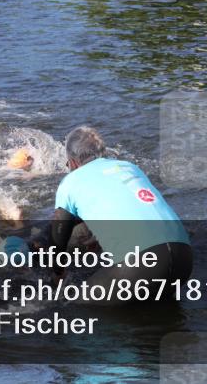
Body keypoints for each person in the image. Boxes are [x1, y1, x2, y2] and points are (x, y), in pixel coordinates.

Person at [47, 126, 192, 303]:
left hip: (140, 266)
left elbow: (58, 239)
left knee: (73, 308)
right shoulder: (129, 167)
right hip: (184, 258)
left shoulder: (69, 182)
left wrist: (57, 276)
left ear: (73, 162)